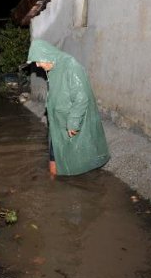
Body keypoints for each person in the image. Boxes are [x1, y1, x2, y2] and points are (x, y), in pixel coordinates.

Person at [27, 39, 110, 176]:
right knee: (56, 152)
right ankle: (55, 183)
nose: (37, 65)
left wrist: (73, 122)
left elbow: (81, 98)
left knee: (78, 150)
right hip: (57, 120)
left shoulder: (70, 65)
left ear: (46, 55)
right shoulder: (53, 67)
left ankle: (72, 181)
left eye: (38, 61)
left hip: (69, 120)